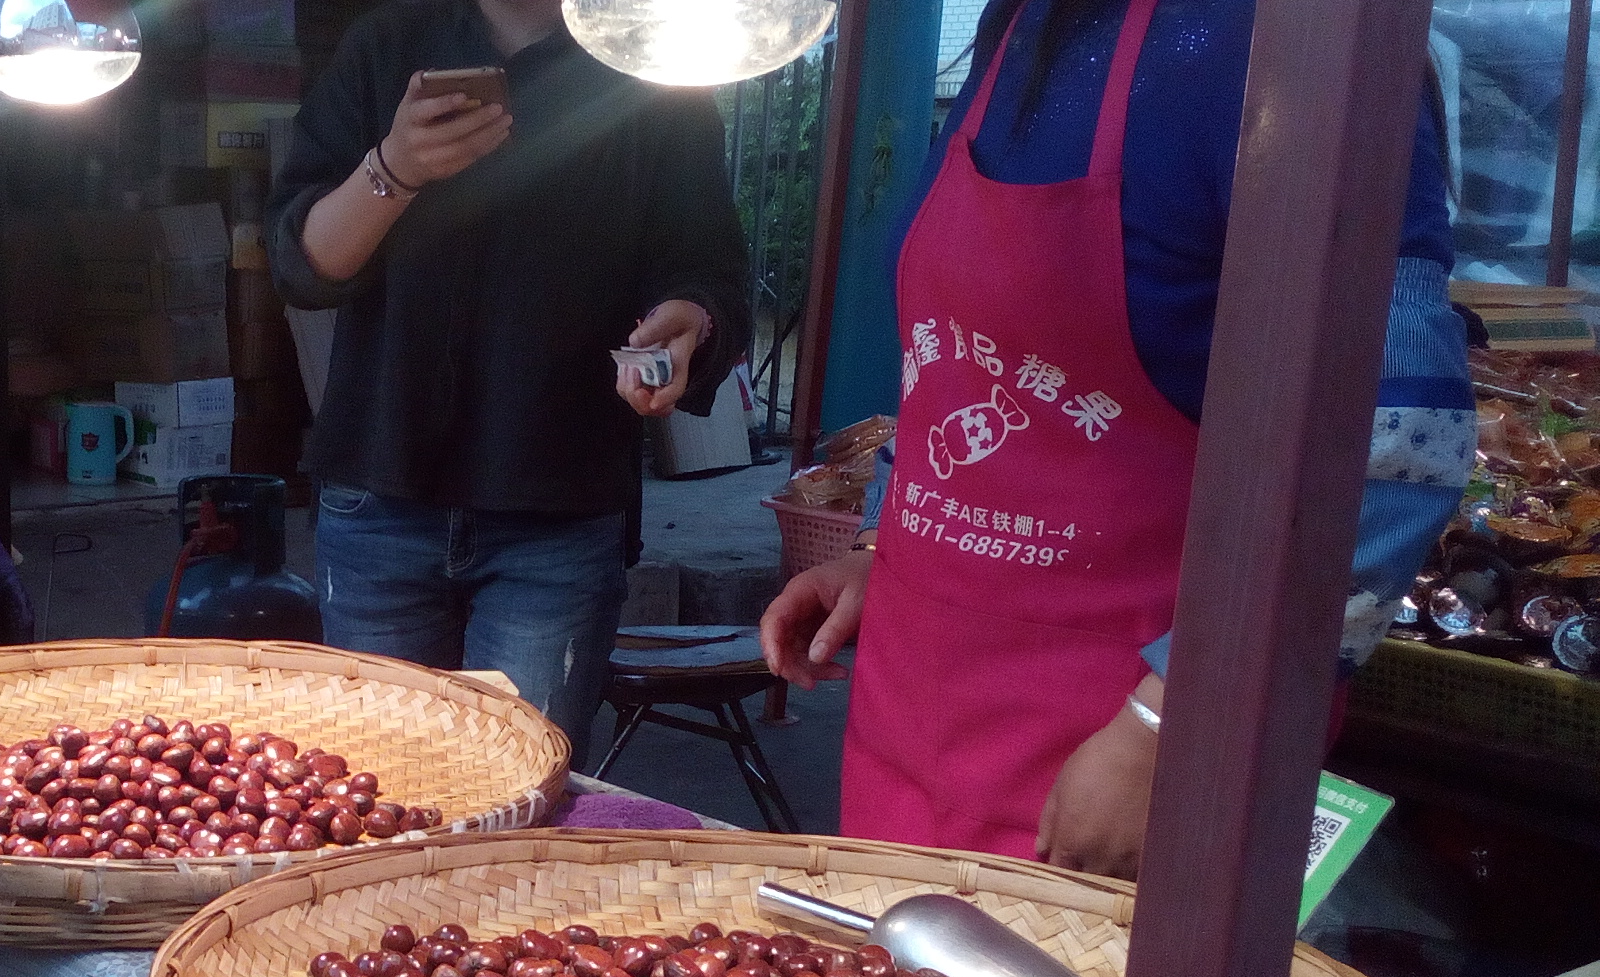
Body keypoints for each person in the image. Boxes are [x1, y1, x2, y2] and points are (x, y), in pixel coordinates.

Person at [759, 0, 1472, 877]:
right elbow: (964, 360)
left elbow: (1394, 450)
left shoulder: (1282, 41)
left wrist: (1172, 725)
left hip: (1116, 758)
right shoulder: (1019, 25)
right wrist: (882, 544)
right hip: (910, 719)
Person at [268, 0, 751, 759]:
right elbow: (304, 264)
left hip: (557, 502)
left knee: (521, 801)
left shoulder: (653, 69)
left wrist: (688, 321)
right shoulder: (388, 45)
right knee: (373, 788)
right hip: (382, 490)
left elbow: (709, 267)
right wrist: (395, 168)